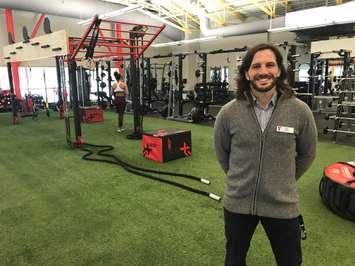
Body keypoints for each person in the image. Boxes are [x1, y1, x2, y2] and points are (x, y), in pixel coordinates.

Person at [214, 43, 317, 266]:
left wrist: (284, 180)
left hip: (282, 204)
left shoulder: (299, 110)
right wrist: (239, 179)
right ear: (247, 72)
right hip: (238, 203)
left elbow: (308, 153)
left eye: (270, 64)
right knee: (234, 260)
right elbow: (222, 152)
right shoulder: (229, 112)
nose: (263, 71)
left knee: (290, 261)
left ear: (279, 70)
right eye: (256, 65)